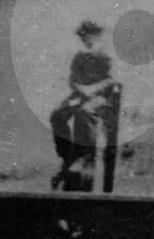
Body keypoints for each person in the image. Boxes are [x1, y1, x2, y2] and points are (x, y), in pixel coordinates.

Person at [49, 18, 119, 192]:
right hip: (82, 94)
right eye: (82, 37)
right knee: (57, 115)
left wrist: (91, 91)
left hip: (104, 97)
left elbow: (112, 81)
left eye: (87, 36)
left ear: (95, 35)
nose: (85, 40)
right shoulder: (80, 56)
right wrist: (82, 91)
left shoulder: (107, 54)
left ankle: (84, 156)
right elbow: (73, 80)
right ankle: (67, 156)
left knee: (84, 114)